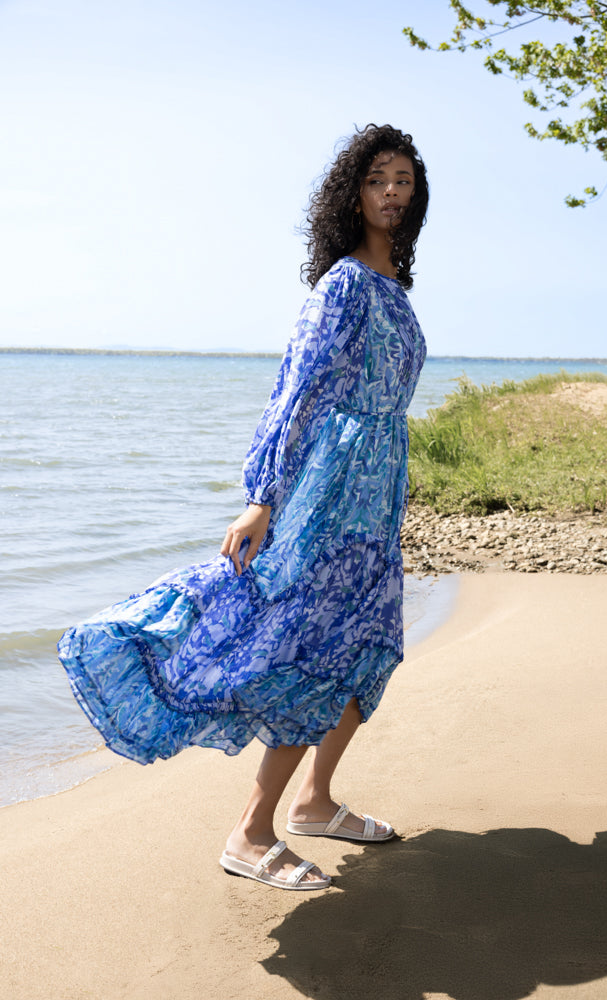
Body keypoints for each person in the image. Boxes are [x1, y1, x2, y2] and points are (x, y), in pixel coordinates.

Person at [58, 123, 429, 892]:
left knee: (368, 646)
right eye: (377, 179)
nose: (392, 192)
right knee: (303, 648)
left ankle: (315, 802)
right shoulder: (345, 285)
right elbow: (296, 387)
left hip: (375, 489)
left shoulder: (394, 286)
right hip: (327, 488)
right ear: (351, 195)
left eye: (403, 179)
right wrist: (262, 495)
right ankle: (250, 833)